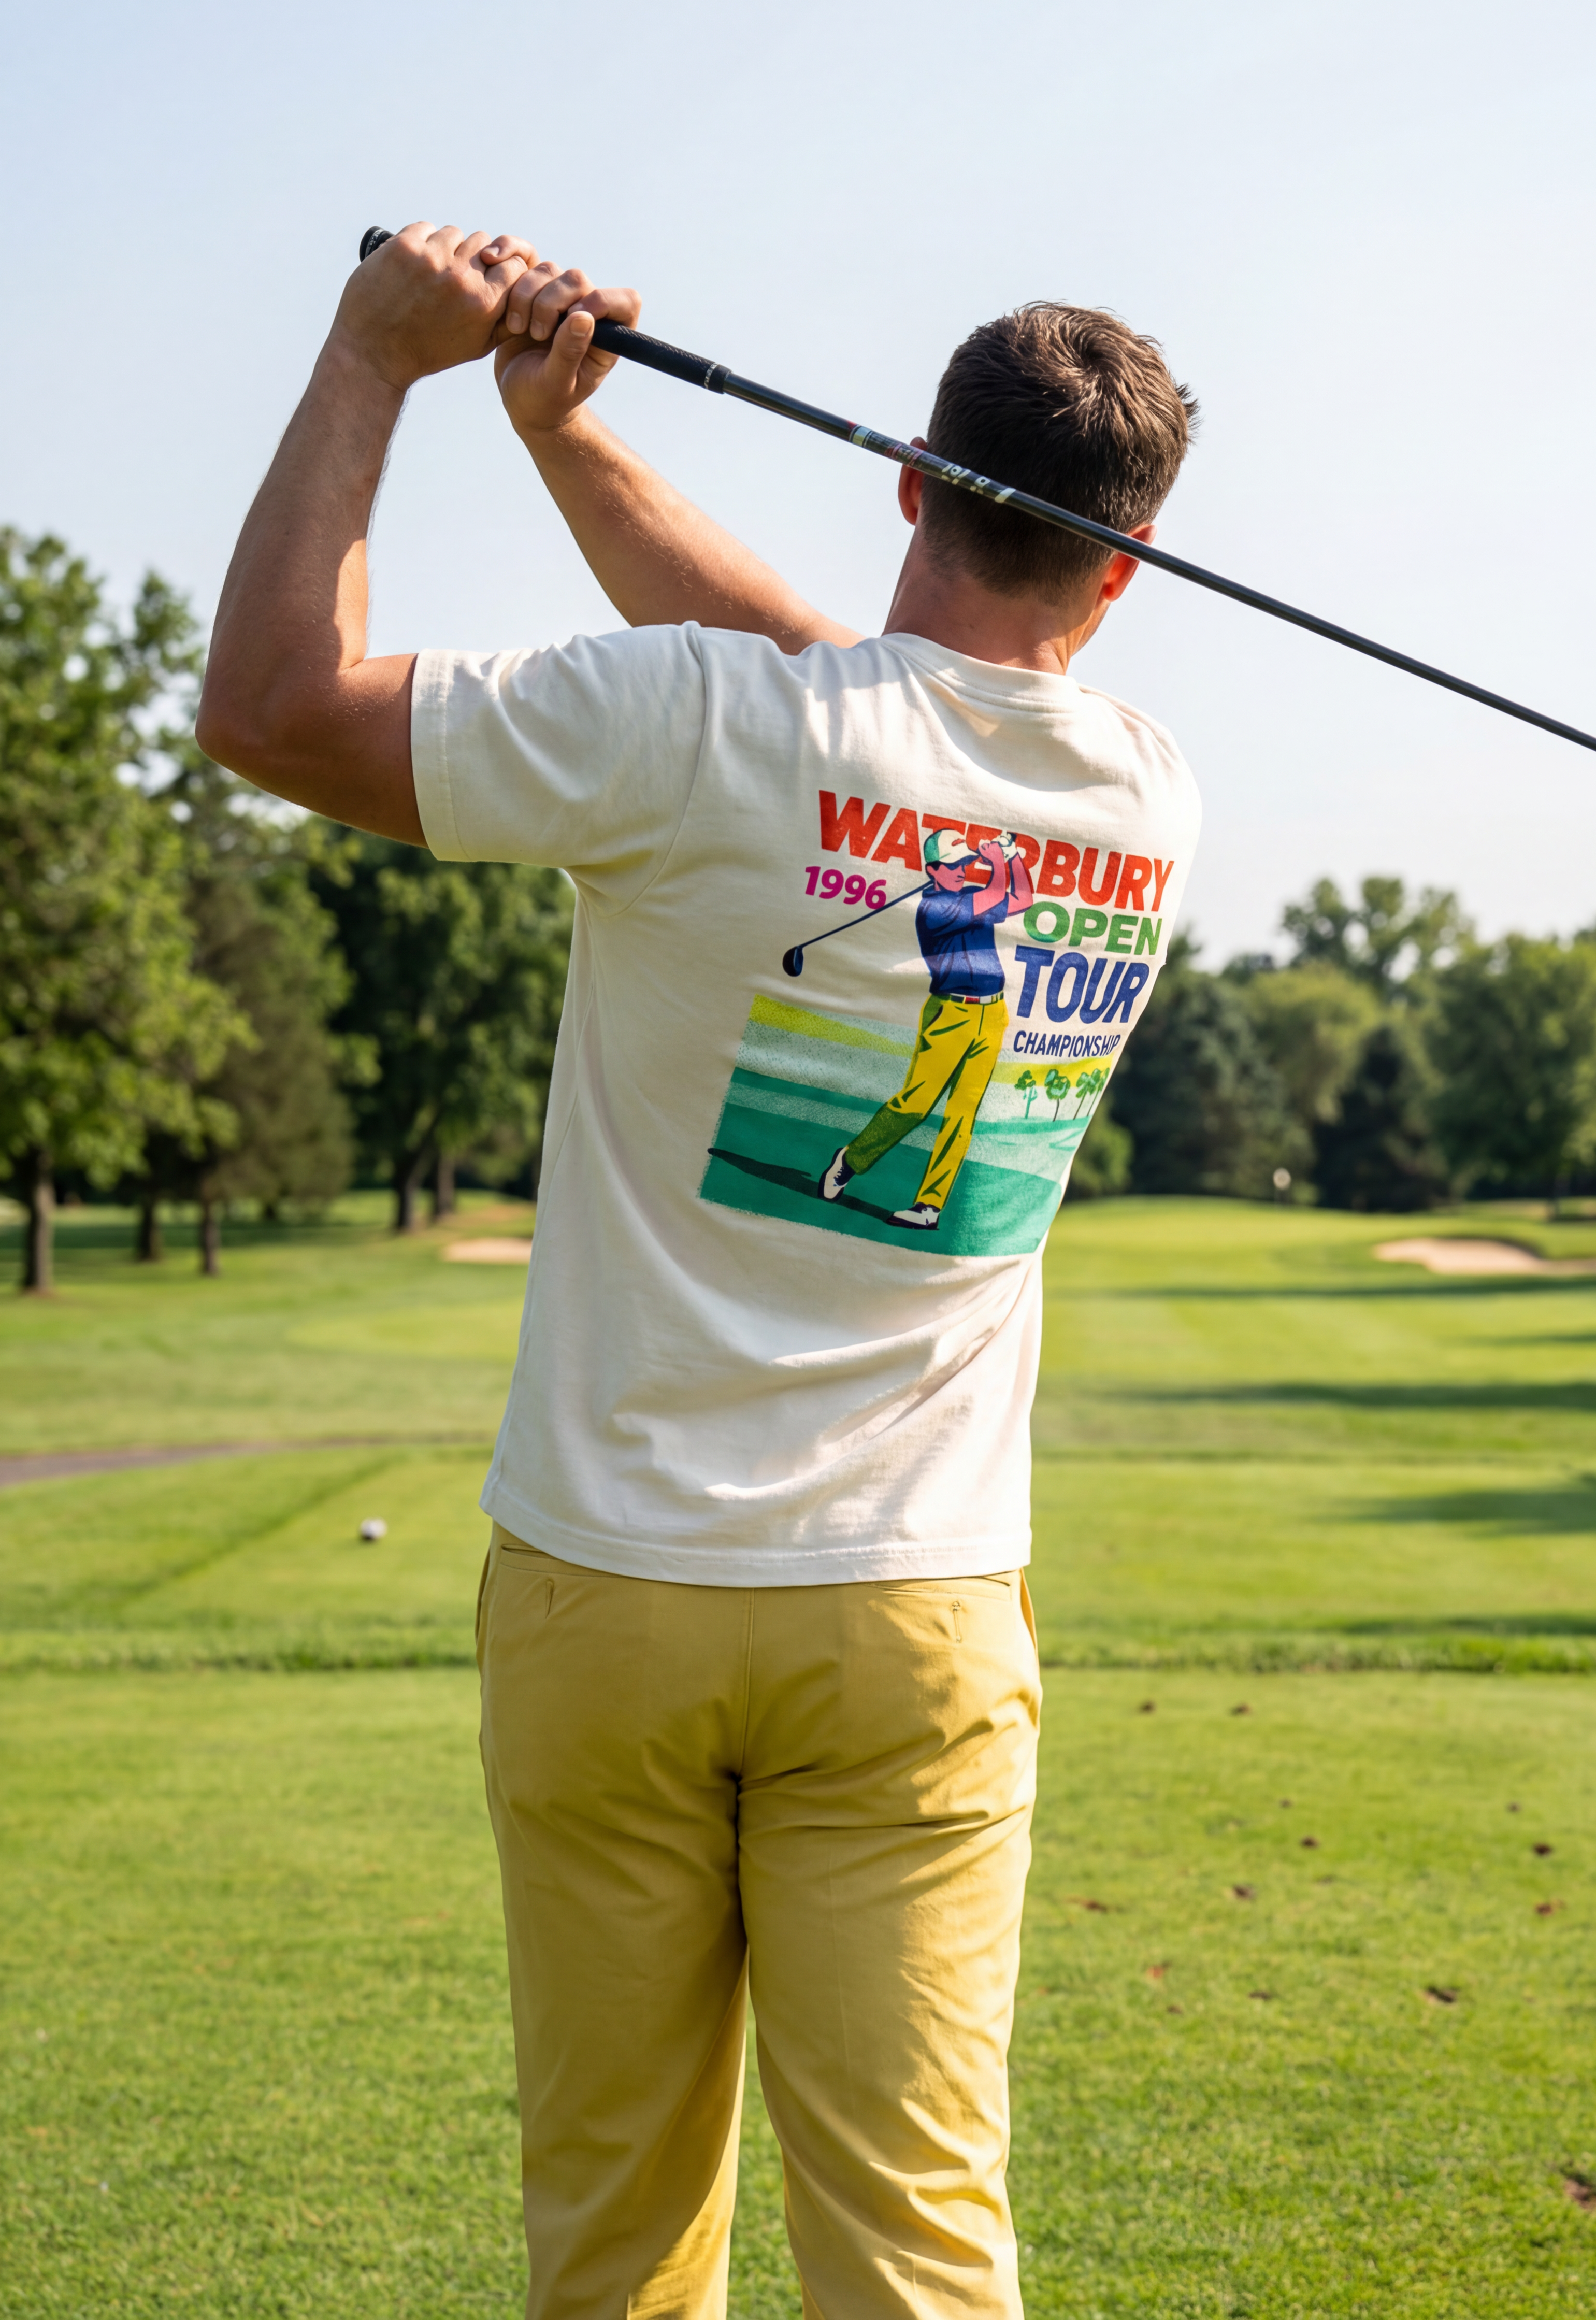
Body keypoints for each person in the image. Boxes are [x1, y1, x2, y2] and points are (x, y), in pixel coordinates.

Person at [197, 222, 1201, 2320]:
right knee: (919, 2251)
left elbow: (273, 709)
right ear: (1124, 569)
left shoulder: (689, 731)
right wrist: (573, 444)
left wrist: (379, 361)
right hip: (913, 1621)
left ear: (910, 479)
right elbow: (855, 689)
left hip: (609, 1593)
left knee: (620, 2246)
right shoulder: (1139, 796)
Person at [821, 825, 1034, 1230]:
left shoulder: (972, 896)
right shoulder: (934, 910)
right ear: (933, 870)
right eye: (952, 865)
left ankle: (928, 1207)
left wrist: (1014, 859)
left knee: (962, 1116)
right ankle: (849, 1161)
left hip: (992, 1015)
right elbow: (995, 893)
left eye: (964, 863)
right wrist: (999, 862)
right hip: (950, 1015)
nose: (960, 870)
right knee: (916, 1105)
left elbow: (1022, 897)